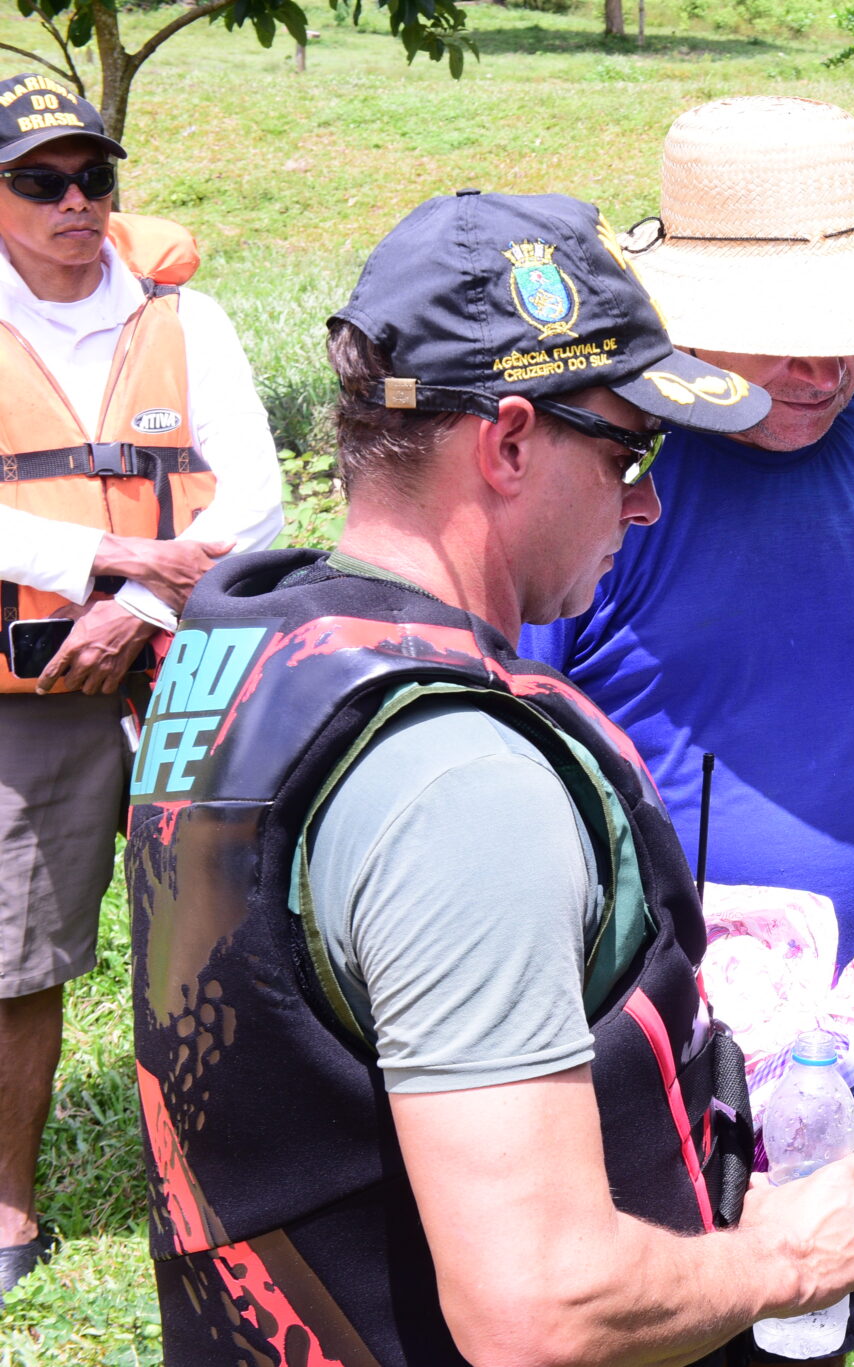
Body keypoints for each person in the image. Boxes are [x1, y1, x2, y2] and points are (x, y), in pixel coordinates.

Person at [125, 190, 854, 1365]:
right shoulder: (463, 781)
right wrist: (787, 1257)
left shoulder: (249, 660)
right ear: (511, 440)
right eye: (629, 450)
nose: (646, 500)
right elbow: (535, 1306)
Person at [522, 97, 854, 1366]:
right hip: (651, 1046)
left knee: (830, 1322)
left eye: (844, 328)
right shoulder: (615, 485)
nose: (824, 367)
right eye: (785, 336)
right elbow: (523, 771)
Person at [0, 73, 281, 1305]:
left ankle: (242, 1181)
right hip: (27, 685)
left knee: (225, 935)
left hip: (182, 662)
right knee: (17, 954)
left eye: (94, 177)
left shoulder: (191, 320)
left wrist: (145, 607)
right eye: (39, 180)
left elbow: (258, 493)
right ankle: (8, 1201)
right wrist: (93, 561)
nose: (76, 202)